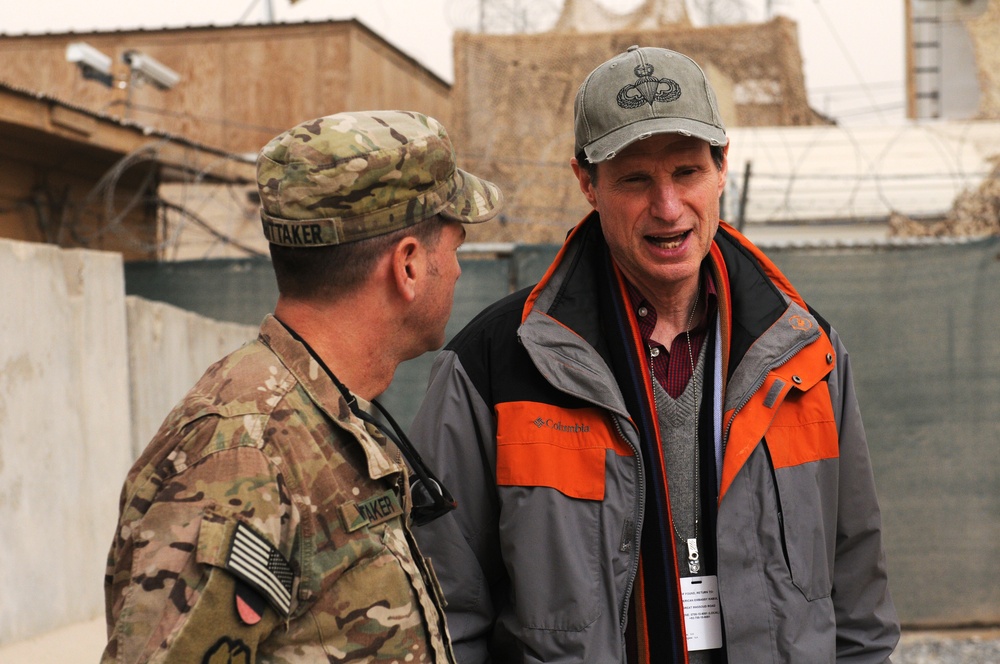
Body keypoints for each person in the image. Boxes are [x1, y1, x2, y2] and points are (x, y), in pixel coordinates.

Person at [409, 46, 900, 663]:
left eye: (687, 172)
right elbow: (444, 620)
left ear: (722, 167)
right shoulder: (493, 367)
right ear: (587, 182)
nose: (668, 208)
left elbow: (858, 602)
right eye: (635, 179)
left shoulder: (805, 356)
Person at [101, 110, 503, 663]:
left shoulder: (327, 417)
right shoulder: (242, 456)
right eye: (454, 247)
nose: (456, 271)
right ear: (408, 266)